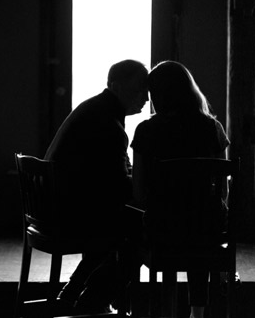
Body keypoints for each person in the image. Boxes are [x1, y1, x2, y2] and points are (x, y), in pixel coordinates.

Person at [45, 59, 148, 314]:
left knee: (120, 224)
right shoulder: (108, 123)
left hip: (56, 206)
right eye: (139, 88)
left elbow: (108, 177)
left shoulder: (96, 109)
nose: (145, 97)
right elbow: (117, 186)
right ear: (115, 86)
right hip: (70, 214)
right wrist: (146, 186)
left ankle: (76, 294)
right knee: (140, 232)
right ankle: (92, 300)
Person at [130, 60, 230, 318]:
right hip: (206, 228)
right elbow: (222, 189)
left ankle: (152, 308)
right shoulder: (212, 128)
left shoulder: (146, 131)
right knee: (199, 226)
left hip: (163, 228)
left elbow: (138, 193)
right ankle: (197, 312)